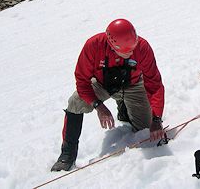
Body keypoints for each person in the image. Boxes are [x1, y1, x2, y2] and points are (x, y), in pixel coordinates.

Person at [51, 19, 165, 171]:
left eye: (132, 49)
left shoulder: (143, 47)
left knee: (144, 127)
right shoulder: (93, 46)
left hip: (133, 84)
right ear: (112, 45)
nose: (131, 53)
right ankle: (67, 154)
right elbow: (82, 82)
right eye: (126, 52)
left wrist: (156, 118)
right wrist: (98, 106)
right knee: (75, 103)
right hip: (102, 84)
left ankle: (124, 107)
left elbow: (154, 84)